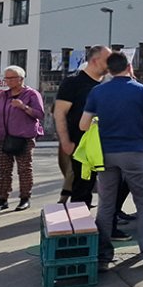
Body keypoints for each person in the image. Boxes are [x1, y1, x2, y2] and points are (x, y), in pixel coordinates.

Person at [80, 51, 143, 271]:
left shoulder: (97, 91)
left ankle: (103, 257)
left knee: (106, 204)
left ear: (108, 69)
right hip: (134, 152)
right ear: (129, 67)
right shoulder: (142, 91)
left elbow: (83, 125)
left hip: (105, 154)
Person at [54, 45, 111, 207]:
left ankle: (110, 219)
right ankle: (79, 224)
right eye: (108, 59)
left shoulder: (107, 83)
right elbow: (59, 113)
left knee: (111, 186)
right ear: (95, 60)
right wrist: (65, 142)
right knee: (82, 188)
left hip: (105, 144)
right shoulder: (73, 82)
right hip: (80, 145)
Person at [0, 65, 44, 213]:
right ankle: (3, 199)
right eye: (6, 78)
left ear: (20, 79)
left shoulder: (32, 94)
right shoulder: (3, 95)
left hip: (23, 137)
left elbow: (39, 114)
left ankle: (25, 198)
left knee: (24, 169)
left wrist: (23, 107)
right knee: (3, 170)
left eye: (11, 78)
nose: (8, 81)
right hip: (3, 138)